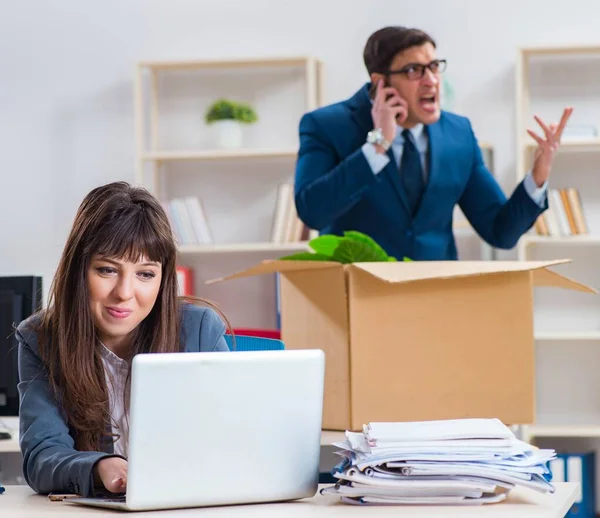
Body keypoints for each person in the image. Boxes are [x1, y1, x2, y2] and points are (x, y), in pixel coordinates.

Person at [15, 181, 231, 497]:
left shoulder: (200, 330)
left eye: (145, 274)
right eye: (107, 270)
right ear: (79, 270)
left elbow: (234, 438)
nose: (125, 293)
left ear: (163, 279)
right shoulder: (41, 339)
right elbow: (42, 456)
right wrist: (100, 467)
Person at [294, 26, 572, 260]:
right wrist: (377, 145)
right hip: (354, 299)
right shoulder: (327, 126)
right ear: (380, 83)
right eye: (414, 70)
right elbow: (312, 213)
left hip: (434, 303)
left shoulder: (458, 133)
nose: (431, 81)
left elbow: (500, 231)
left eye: (434, 67)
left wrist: (539, 174)